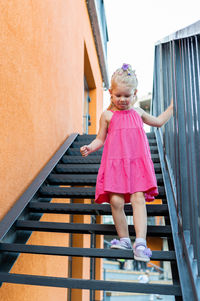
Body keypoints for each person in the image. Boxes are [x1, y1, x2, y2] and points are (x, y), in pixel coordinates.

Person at [80, 63, 173, 262]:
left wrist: (173, 107)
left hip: (136, 164)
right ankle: (123, 240)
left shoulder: (138, 112)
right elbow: (100, 139)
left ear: (135, 94)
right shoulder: (107, 116)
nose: (123, 100)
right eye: (118, 95)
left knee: (138, 200)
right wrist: (90, 147)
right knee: (116, 201)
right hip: (115, 164)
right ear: (111, 93)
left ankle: (140, 242)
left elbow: (158, 122)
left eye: (127, 96)